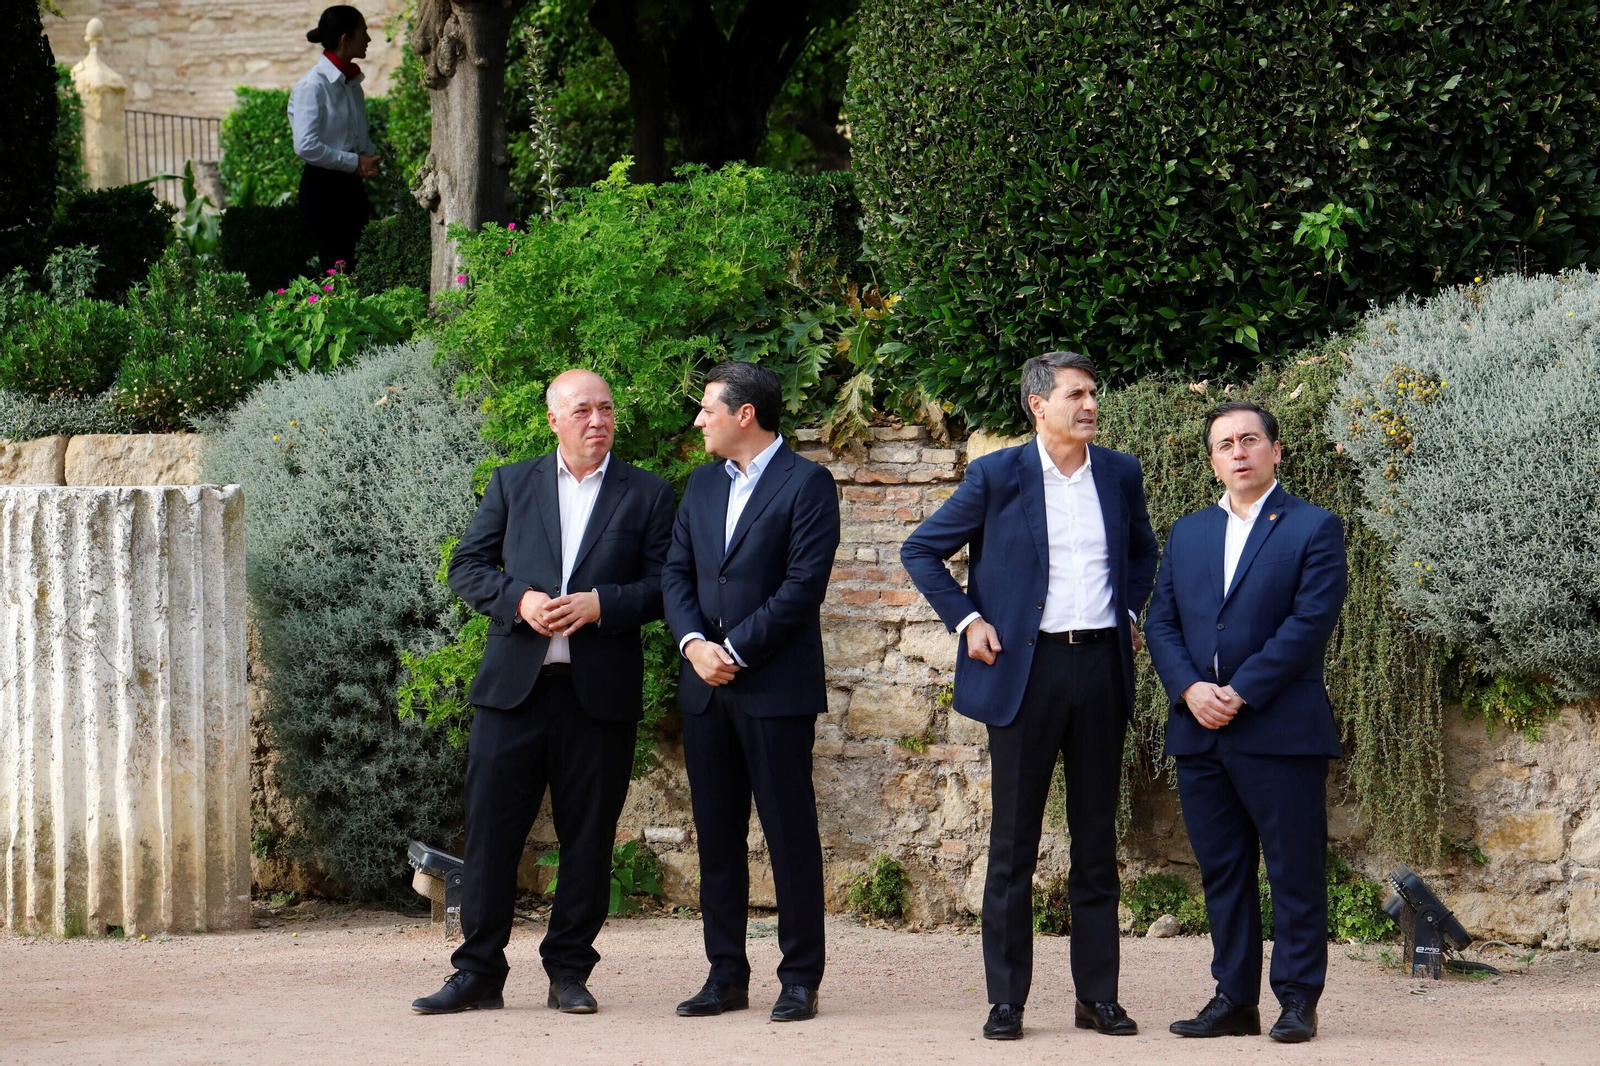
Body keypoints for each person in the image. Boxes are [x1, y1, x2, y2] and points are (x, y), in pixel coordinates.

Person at [901, 351, 1159, 1042]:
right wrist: (968, 619)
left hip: (1101, 668)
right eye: (1077, 394)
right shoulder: (996, 475)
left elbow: (1142, 553)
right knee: (1012, 845)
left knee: (1096, 843)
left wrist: (1130, 611)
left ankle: (1096, 998)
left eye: (1094, 392)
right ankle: (1006, 1000)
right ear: (1037, 405)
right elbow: (921, 549)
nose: (1090, 405)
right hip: (1026, 672)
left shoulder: (1120, 473)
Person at [412, 369, 675, 1016]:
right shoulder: (512, 483)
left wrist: (600, 605)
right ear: (553, 419)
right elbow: (467, 567)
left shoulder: (647, 493)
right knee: (493, 835)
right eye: (582, 409)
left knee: (587, 839)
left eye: (606, 409)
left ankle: (568, 973)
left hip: (598, 697)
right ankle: (477, 973)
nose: (597, 420)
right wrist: (519, 600)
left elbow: (668, 585)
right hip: (513, 694)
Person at [1143, 400, 1347, 1044]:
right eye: (1225, 444)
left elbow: (1309, 625)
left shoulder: (1314, 527)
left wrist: (1239, 691)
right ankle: (1233, 998)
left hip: (1280, 730)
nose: (1238, 451)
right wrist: (1190, 689)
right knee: (1222, 872)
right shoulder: (1188, 533)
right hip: (1199, 730)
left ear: (1275, 451)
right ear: (1212, 461)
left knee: (1293, 870)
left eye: (1250, 440)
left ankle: (1296, 998)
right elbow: (1161, 622)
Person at [660, 361, 840, 1024]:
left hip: (775, 688)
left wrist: (733, 650)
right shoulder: (702, 486)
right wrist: (694, 646)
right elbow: (675, 574)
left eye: (708, 408)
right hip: (705, 689)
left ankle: (799, 978)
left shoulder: (808, 484)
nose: (699, 420)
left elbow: (803, 587)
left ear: (745, 415)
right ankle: (725, 975)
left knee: (790, 835)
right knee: (717, 837)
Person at [289, 6, 381, 274]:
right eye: (364, 32)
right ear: (346, 39)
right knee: (335, 273)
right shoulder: (313, 86)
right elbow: (305, 146)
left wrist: (369, 159)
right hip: (323, 192)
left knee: (356, 268)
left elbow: (357, 136)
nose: (369, 39)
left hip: (351, 189)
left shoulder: (352, 85)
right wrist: (355, 162)